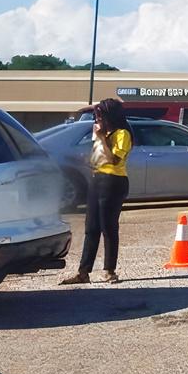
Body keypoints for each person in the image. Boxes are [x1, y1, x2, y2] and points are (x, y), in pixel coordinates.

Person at [59, 98, 132, 285]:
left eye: (100, 115)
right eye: (96, 115)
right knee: (91, 228)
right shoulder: (100, 132)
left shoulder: (122, 133)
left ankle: (109, 271)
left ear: (110, 116)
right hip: (97, 179)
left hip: (113, 182)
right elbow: (98, 156)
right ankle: (83, 272)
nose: (96, 118)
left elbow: (114, 160)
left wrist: (101, 138)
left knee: (108, 227)